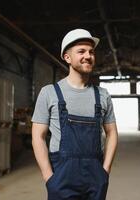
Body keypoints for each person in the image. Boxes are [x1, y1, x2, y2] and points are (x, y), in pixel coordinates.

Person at [31, 28, 118, 200]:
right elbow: (37, 136)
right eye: (81, 51)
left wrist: (105, 172)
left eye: (91, 52)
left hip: (95, 175)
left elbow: (112, 133)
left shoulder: (102, 95)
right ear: (67, 57)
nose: (88, 56)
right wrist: (49, 178)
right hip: (61, 176)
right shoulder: (49, 93)